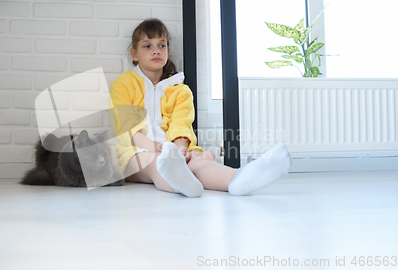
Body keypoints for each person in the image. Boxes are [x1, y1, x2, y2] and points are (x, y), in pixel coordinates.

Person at [108, 18, 292, 197]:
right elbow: (129, 132)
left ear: (168, 51)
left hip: (172, 152)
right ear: (134, 54)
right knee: (156, 161)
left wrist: (181, 150)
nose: (156, 51)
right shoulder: (123, 85)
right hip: (133, 155)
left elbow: (181, 126)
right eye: (148, 46)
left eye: (162, 45)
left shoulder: (180, 91)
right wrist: (160, 149)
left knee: (202, 161)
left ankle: (238, 178)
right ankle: (181, 184)